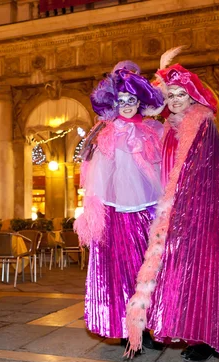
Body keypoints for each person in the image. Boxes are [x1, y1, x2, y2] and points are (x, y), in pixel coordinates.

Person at [125, 57, 219, 361]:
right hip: (169, 214)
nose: (175, 101)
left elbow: (206, 175)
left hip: (198, 216)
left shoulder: (202, 125)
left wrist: (185, 212)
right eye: (170, 95)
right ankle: (173, 328)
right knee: (173, 275)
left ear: (192, 97)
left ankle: (206, 338)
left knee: (203, 274)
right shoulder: (167, 128)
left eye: (181, 95)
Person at [74, 61, 165, 342]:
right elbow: (97, 179)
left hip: (150, 213)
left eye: (132, 100)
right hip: (118, 215)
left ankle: (148, 326)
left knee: (150, 270)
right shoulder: (107, 133)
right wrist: (94, 213)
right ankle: (128, 330)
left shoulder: (153, 130)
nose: (126, 105)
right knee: (123, 271)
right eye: (122, 100)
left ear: (140, 101)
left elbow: (164, 169)